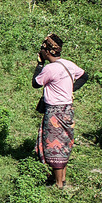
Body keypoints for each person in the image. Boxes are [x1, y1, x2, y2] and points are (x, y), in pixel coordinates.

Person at [32, 35, 88, 188]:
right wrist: (71, 89)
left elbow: (36, 83)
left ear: (47, 52)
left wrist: (39, 64)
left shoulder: (50, 69)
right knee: (63, 144)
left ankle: (58, 184)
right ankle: (61, 179)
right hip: (68, 109)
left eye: (42, 50)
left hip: (54, 112)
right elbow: (84, 76)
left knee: (54, 145)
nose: (41, 52)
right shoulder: (69, 65)